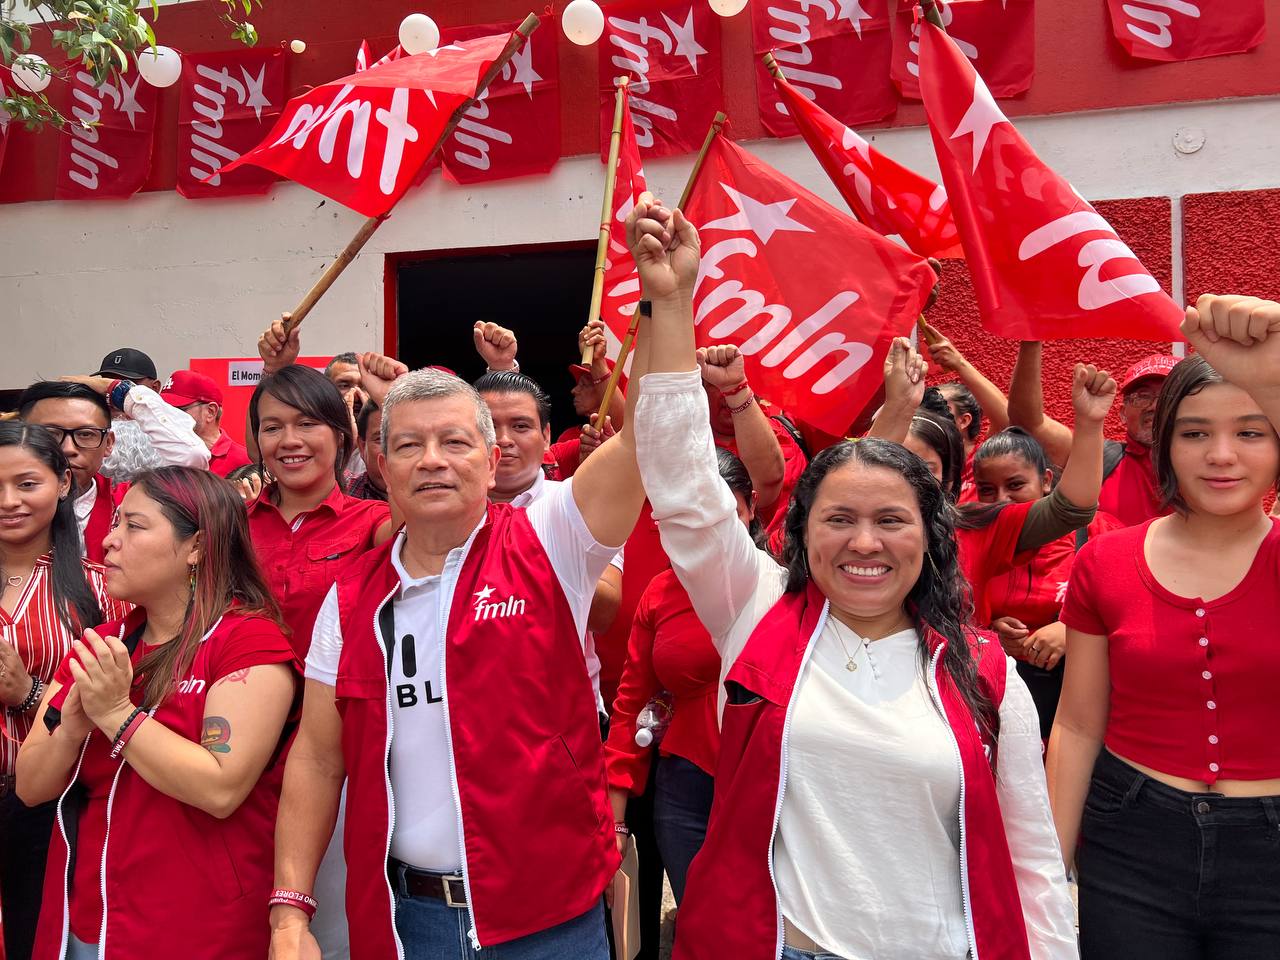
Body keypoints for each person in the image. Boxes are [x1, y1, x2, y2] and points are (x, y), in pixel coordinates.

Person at [628, 199, 1111, 960]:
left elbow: (1032, 862)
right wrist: (674, 302)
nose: (863, 543)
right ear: (801, 531)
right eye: (837, 518)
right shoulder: (755, 611)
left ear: (931, 533)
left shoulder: (984, 670)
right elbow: (683, 485)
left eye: (891, 521)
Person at [266, 197, 685, 960]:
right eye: (411, 445)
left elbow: (653, 438)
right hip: (403, 920)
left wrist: (662, 299)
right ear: (378, 467)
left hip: (547, 917)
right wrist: (290, 911)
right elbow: (320, 757)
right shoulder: (353, 597)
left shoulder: (551, 537)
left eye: (455, 441)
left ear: (492, 462)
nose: (432, 459)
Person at [1049, 294, 1280, 959]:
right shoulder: (1106, 563)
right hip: (1131, 840)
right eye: (1195, 432)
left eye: (1251, 431)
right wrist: (1047, 873)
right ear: (1165, 443)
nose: (1221, 455)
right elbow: (1076, 724)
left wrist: (1271, 369)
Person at [16, 466, 299, 960]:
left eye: (135, 526)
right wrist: (73, 728)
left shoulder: (247, 643)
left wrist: (118, 715)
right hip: (95, 917)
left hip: (201, 925)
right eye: (115, 523)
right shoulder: (102, 646)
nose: (109, 541)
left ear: (198, 546)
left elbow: (220, 786)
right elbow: (31, 786)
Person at [605, 448, 761, 904]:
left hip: (768, 783)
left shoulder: (789, 586)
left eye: (725, 514)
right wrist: (615, 820)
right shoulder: (661, 593)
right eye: (693, 519)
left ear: (751, 508)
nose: (710, 533)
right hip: (685, 791)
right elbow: (631, 706)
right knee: (701, 920)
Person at [0, 423, 129, 960]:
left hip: (53, 809)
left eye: (27, 484)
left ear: (63, 485)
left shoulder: (103, 589)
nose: (8, 502)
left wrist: (28, 693)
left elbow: (127, 709)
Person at [246, 338, 395, 654]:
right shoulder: (232, 522)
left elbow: (427, 533)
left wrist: (395, 403)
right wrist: (273, 368)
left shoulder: (372, 520)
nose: (289, 441)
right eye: (272, 428)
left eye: (307, 424)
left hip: (335, 700)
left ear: (342, 435)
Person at [974, 427, 1124, 742]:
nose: (1002, 500)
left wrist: (1073, 631)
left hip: (1082, 715)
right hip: (999, 709)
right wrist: (991, 633)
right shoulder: (974, 539)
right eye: (987, 489)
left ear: (1045, 481)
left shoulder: (1098, 531)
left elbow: (1136, 613)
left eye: (1015, 485)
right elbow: (951, 619)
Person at [18, 380, 210, 562]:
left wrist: (120, 391)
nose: (68, 448)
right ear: (21, 438)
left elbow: (192, 455)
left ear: (109, 443)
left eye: (86, 434)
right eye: (51, 434)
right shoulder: (9, 507)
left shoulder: (128, 503)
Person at [1010, 341, 1178, 527]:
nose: (1154, 406)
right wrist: (1031, 339)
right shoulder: (1096, 460)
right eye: (1143, 396)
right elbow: (1028, 422)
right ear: (1122, 413)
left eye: (1168, 397)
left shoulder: (1208, 463)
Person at [922, 321, 1011, 502]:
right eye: (924, 408)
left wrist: (959, 363)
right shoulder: (923, 462)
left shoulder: (984, 460)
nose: (929, 415)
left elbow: (1007, 418)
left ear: (964, 420)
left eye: (938, 407)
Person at [90, 348, 168, 483]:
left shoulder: (169, 437)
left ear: (154, 388)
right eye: (107, 384)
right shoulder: (87, 432)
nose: (114, 395)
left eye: (127, 384)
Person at [160, 370, 252, 478]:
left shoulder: (244, 462)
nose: (168, 416)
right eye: (164, 409)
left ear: (210, 412)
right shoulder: (159, 455)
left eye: (178, 409)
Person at [347, 402, 388, 502]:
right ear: (362, 446)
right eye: (381, 439)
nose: (393, 449)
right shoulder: (344, 491)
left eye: (406, 440)